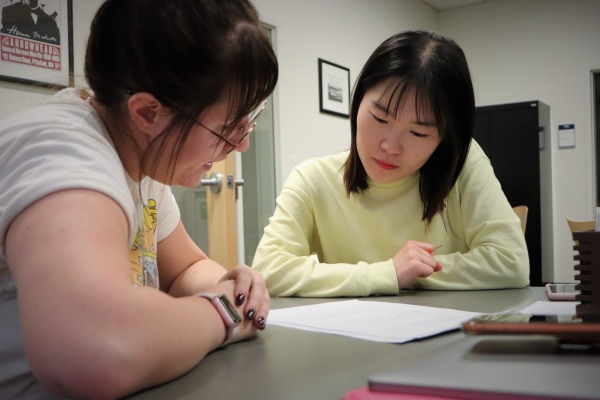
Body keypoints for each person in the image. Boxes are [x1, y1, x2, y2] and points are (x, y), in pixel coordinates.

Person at [0, 0, 278, 398]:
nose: (243, 144)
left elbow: (184, 269)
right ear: (149, 113)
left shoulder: (141, 160)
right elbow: (94, 351)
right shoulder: (65, 155)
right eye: (229, 127)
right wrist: (221, 314)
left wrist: (231, 288)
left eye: (250, 120)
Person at [252, 30, 528, 297]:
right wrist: (388, 274)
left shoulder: (462, 166)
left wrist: (412, 273)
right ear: (358, 101)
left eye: (419, 133)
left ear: (444, 137)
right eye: (380, 119)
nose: (390, 147)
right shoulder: (312, 179)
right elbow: (268, 270)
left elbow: (511, 261)